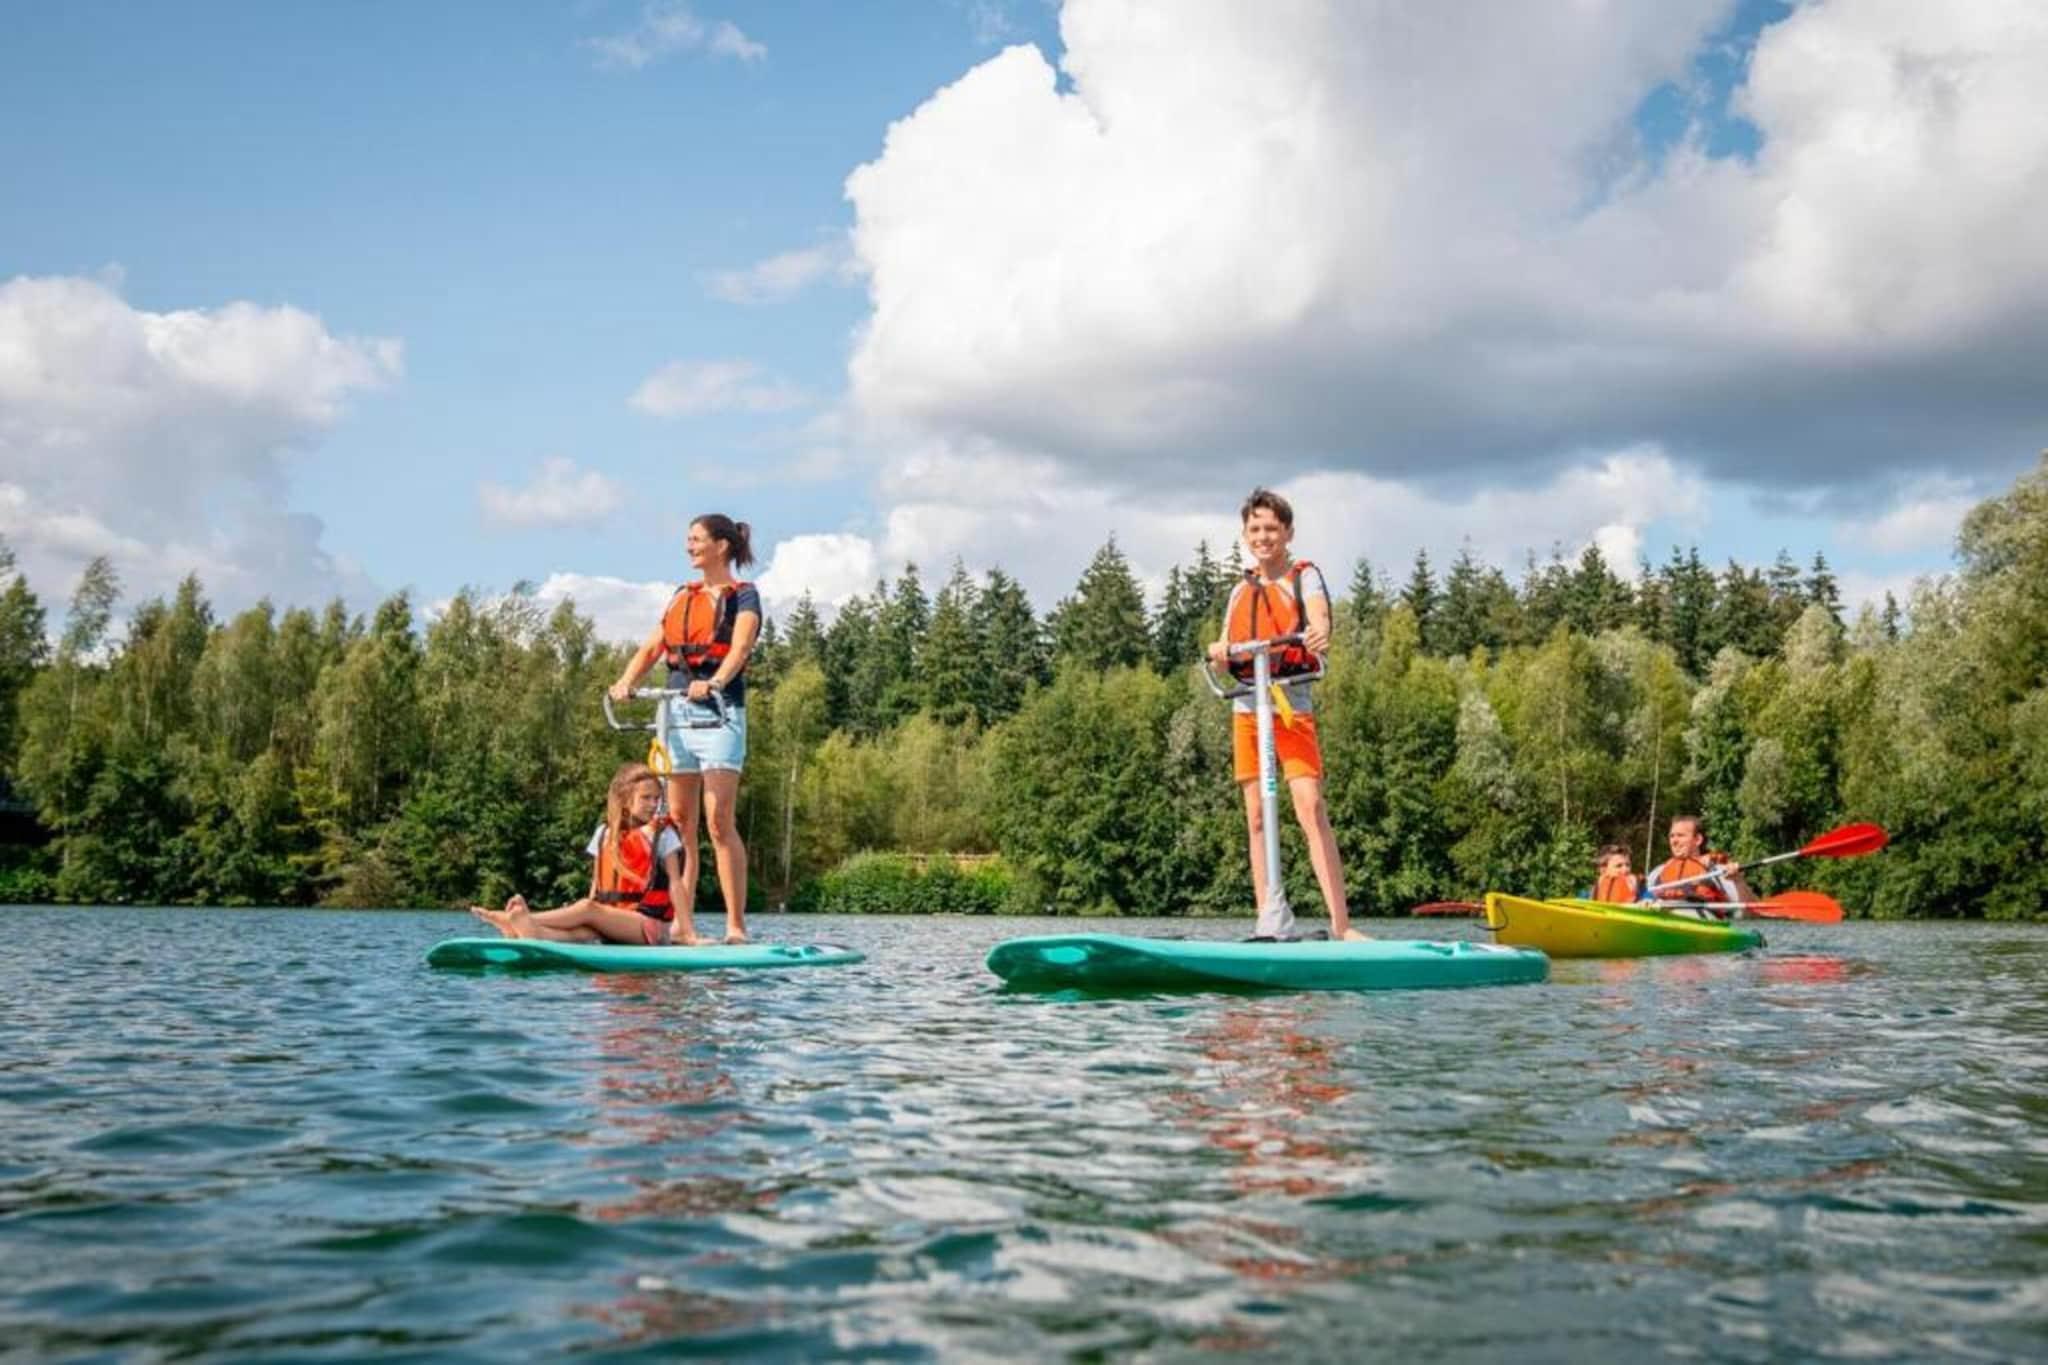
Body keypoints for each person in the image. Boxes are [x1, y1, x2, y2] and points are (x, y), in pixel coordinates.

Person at [1206, 487, 1365, 941]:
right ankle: (1269, 919)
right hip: (1247, 704)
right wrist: (1219, 653)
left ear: (1288, 533)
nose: (1263, 537)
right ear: (1245, 534)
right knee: (1256, 814)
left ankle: (1342, 927)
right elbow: (1226, 649)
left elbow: (1317, 617)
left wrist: (1319, 632)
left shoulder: (1303, 577)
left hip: (1288, 703)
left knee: (1309, 805)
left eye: (1271, 529)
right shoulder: (1240, 591)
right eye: (1255, 529)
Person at [610, 513, 762, 944]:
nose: (688, 546)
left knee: (718, 821)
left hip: (719, 713)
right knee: (678, 822)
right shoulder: (683, 596)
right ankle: (683, 926)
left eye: (696, 539)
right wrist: (626, 682)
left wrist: (715, 682)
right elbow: (651, 647)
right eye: (688, 539)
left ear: (721, 546)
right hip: (676, 714)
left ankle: (735, 926)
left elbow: (740, 648)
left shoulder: (744, 597)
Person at [469, 762, 695, 944]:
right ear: (626, 800)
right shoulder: (604, 833)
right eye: (646, 798)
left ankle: (519, 919)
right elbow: (597, 885)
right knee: (577, 932)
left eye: (656, 798)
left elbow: (676, 884)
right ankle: (530, 931)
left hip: (651, 926)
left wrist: (686, 932)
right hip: (612, 919)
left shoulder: (663, 834)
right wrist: (589, 919)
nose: (653, 804)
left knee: (587, 909)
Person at [1645, 814, 1756, 907]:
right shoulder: (1658, 872)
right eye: (1671, 836)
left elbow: (1748, 913)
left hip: (1700, 917)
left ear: (1698, 840)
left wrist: (1738, 881)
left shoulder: (1717, 871)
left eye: (1680, 835)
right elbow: (1645, 899)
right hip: (1662, 915)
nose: (1674, 841)